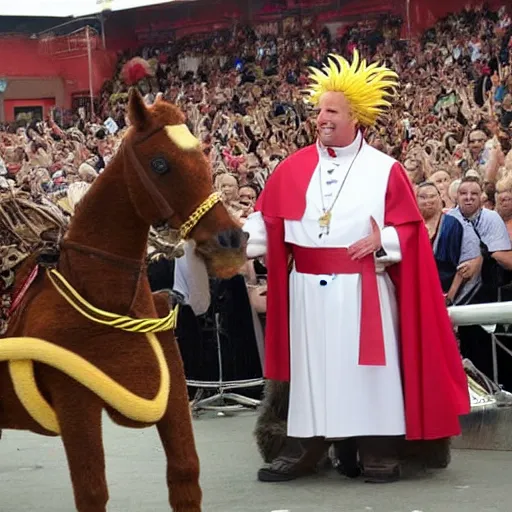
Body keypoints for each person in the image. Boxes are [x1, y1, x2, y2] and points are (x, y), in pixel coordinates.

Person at [243, 50, 470, 483]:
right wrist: (232, 240)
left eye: (331, 111)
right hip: (307, 288)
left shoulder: (386, 170)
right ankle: (306, 446)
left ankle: (378, 449)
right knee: (312, 372)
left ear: (355, 116)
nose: (321, 118)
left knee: (368, 373)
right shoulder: (291, 169)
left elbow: (409, 231)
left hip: (365, 287)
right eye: (319, 110)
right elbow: (266, 223)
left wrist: (380, 240)